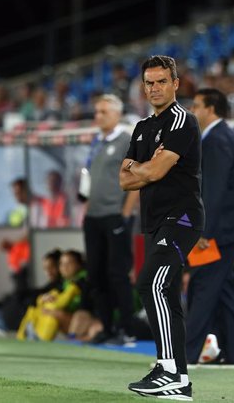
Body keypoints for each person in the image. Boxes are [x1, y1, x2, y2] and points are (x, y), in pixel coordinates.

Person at [120, 55, 204, 400]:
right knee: (166, 294)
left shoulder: (184, 121)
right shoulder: (142, 128)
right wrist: (144, 166)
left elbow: (150, 174)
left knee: (149, 283)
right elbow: (124, 181)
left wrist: (140, 166)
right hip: (155, 221)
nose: (155, 88)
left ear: (175, 84)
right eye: (149, 83)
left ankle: (166, 368)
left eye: (161, 82)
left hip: (182, 218)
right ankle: (180, 381)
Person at [185, 88, 234, 368]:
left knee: (202, 287)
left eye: (197, 106)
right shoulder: (222, 136)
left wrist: (203, 232)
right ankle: (233, 353)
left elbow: (213, 192)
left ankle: (183, 358)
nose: (192, 111)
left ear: (211, 109)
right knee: (222, 290)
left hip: (217, 232)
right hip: (224, 229)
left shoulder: (217, 140)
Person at [82, 94, 140, 344]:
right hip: (94, 217)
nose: (98, 116)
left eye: (103, 112)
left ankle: (126, 329)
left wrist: (125, 215)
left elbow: (136, 180)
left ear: (117, 115)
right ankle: (106, 327)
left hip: (115, 216)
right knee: (96, 274)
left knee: (117, 274)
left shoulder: (127, 141)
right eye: (96, 111)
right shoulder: (96, 142)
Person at [16, 249, 88, 341]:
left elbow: (61, 303)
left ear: (79, 265)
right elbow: (53, 294)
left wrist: (48, 301)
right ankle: (23, 336)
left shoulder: (81, 281)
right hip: (71, 316)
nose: (64, 267)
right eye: (62, 264)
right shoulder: (66, 282)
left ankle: (41, 338)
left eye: (69, 263)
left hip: (84, 319)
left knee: (53, 310)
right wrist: (43, 298)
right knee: (35, 307)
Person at [2, 248, 62, 331]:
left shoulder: (64, 285)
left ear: (59, 266)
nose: (48, 271)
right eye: (45, 268)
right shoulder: (52, 284)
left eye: (51, 267)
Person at [0, 177, 32, 329]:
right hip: (18, 261)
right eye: (15, 193)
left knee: (24, 292)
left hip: (29, 260)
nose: (16, 196)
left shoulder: (36, 207)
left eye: (19, 192)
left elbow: (33, 233)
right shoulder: (19, 211)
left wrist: (13, 243)